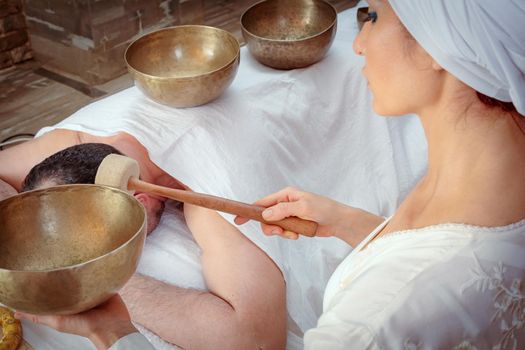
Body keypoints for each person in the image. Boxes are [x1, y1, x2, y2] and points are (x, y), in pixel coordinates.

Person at [14, 0, 525, 348]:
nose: (358, 44)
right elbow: (449, 248)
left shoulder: (380, 316)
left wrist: (118, 329)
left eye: (369, 17)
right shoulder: (484, 177)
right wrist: (353, 224)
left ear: (440, 48)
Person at [0, 129, 287, 349]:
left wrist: (93, 278)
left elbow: (256, 341)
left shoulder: (208, 198)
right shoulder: (72, 146)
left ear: (142, 202)